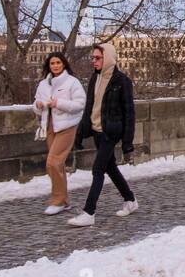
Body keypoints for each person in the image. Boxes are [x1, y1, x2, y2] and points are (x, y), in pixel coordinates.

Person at [68, 43, 138, 227]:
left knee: (97, 170)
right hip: (97, 130)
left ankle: (89, 212)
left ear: (108, 58)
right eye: (93, 58)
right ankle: (130, 200)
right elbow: (89, 107)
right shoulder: (94, 79)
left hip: (111, 132)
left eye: (98, 58)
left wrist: (127, 143)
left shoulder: (122, 81)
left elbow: (129, 113)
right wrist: (81, 132)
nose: (94, 61)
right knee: (110, 168)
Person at [32, 52, 87, 215]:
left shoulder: (72, 82)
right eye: (52, 63)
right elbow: (35, 104)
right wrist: (39, 105)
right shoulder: (43, 84)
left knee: (53, 162)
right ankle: (64, 200)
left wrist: (58, 103)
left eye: (58, 62)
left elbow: (80, 104)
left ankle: (57, 200)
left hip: (67, 126)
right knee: (58, 165)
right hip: (49, 126)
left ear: (63, 64)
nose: (55, 66)